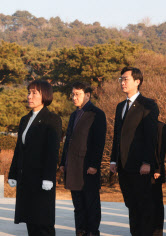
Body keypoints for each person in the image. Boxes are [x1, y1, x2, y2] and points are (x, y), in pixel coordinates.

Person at [8, 80, 62, 236]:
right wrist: (13, 173)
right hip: (26, 180)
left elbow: (52, 151)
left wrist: (48, 178)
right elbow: (19, 149)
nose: (29, 96)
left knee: (43, 223)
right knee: (31, 222)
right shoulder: (25, 119)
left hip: (41, 180)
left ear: (44, 95)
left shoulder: (52, 119)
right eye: (28, 92)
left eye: (34, 93)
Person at [110, 67, 159, 236]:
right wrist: (113, 160)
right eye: (121, 79)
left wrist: (147, 162)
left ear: (137, 81)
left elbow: (151, 136)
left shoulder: (148, 105)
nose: (122, 83)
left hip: (140, 166)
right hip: (123, 166)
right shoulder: (120, 106)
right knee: (131, 205)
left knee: (143, 206)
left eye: (126, 79)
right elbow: (117, 135)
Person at [59, 82, 106, 236]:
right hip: (72, 166)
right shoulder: (74, 115)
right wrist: (62, 162)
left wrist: (94, 164)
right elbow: (68, 141)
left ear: (87, 95)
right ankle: (80, 231)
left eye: (77, 94)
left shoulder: (96, 114)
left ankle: (92, 232)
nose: (74, 97)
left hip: (87, 167)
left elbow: (99, 142)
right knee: (78, 204)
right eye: (72, 94)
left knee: (91, 203)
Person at [151, 121, 166, 236]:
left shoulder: (161, 127)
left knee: (156, 201)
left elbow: (161, 150)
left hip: (155, 171)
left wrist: (158, 169)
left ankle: (157, 232)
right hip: (141, 171)